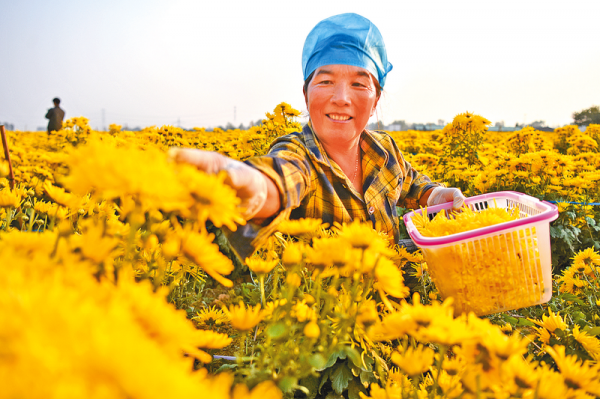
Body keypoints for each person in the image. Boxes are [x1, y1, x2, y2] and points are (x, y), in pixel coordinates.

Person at [170, 13, 465, 259]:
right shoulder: (300, 156)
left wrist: (438, 195)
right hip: (323, 321)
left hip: (393, 312)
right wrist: (252, 185)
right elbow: (281, 178)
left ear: (375, 101)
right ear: (306, 94)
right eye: (325, 81)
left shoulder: (385, 150)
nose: (341, 98)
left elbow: (412, 183)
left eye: (359, 85)